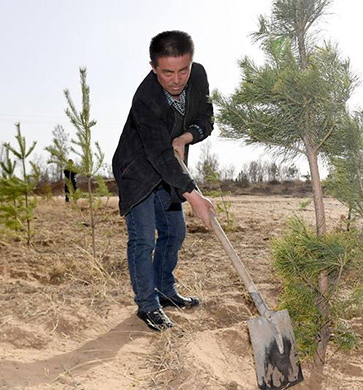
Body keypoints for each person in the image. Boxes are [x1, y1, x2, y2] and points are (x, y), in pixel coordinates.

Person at [112, 30, 215, 331]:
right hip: (139, 172)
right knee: (143, 238)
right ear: (153, 67)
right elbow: (157, 153)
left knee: (174, 231)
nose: (177, 79)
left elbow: (207, 117)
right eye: (167, 72)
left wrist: (186, 136)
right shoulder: (145, 99)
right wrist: (193, 195)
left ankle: (164, 291)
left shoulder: (198, 76)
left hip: (171, 167)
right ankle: (147, 306)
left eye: (183, 70)